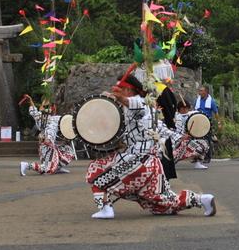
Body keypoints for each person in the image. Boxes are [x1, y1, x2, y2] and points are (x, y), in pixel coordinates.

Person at [85, 73, 215, 219]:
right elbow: (161, 128)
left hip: (137, 162)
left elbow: (136, 105)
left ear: (128, 90)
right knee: (162, 204)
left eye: (119, 88)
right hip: (151, 164)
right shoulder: (144, 108)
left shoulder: (138, 103)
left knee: (95, 170)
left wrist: (119, 98)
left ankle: (105, 208)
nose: (116, 90)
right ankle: (202, 199)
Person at [21, 97, 75, 176]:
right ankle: (26, 165)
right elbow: (52, 128)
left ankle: (57, 167)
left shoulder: (40, 116)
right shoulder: (52, 118)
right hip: (46, 144)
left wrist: (31, 101)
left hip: (47, 144)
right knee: (48, 169)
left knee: (68, 151)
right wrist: (48, 139)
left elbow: (33, 111)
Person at [173, 95, 211, 169]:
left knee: (204, 143)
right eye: (185, 108)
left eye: (187, 108)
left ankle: (197, 162)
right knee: (178, 149)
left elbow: (197, 114)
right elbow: (174, 131)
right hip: (177, 140)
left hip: (188, 139)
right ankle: (171, 162)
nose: (186, 110)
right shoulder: (176, 117)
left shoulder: (189, 115)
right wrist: (181, 137)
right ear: (180, 109)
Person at [194, 85, 218, 165]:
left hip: (207, 123)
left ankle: (207, 157)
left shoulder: (211, 101)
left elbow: (216, 113)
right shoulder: (197, 100)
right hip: (198, 122)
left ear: (206, 92)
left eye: (201, 91)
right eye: (199, 90)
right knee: (196, 140)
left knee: (207, 140)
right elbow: (193, 110)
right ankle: (197, 157)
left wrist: (219, 123)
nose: (199, 92)